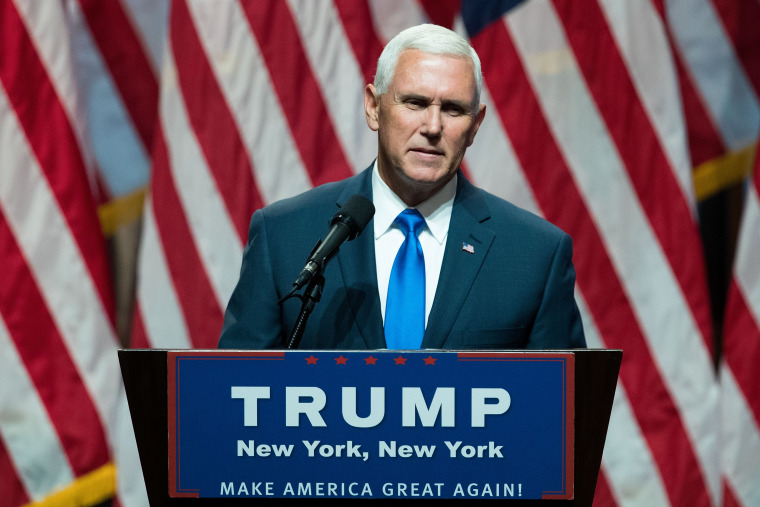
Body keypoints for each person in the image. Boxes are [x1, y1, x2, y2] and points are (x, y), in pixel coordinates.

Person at [218, 24, 585, 350]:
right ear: (374, 108)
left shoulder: (535, 255)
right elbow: (234, 396)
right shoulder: (284, 236)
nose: (432, 126)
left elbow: (565, 416)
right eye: (415, 102)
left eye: (454, 109)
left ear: (475, 125)